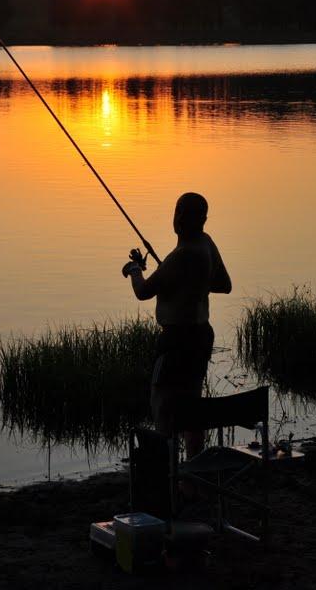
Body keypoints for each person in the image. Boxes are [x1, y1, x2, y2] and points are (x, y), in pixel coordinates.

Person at [122, 192, 231, 458]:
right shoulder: (206, 244)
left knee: (162, 404)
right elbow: (223, 284)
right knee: (192, 403)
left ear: (183, 218)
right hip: (201, 335)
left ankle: (168, 473)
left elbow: (144, 291)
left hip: (175, 340)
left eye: (180, 213)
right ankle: (193, 472)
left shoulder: (181, 255)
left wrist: (135, 270)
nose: (178, 218)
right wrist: (189, 283)